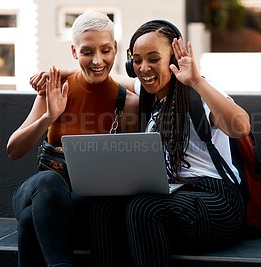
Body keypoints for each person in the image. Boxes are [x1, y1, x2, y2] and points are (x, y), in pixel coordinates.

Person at [89, 20, 251, 267]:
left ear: (174, 61)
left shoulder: (200, 92)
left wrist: (196, 81)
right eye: (138, 60)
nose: (144, 68)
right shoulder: (148, 93)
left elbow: (240, 127)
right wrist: (63, 75)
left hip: (217, 200)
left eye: (154, 59)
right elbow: (109, 81)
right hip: (172, 196)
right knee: (102, 208)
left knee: (143, 208)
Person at [6, 11, 138, 267]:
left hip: (84, 203)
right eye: (87, 52)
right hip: (38, 191)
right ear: (74, 52)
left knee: (29, 218)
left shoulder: (127, 103)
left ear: (115, 49)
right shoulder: (54, 89)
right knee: (47, 182)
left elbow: (128, 172)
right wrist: (48, 117)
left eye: (105, 50)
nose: (98, 60)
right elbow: (14, 149)